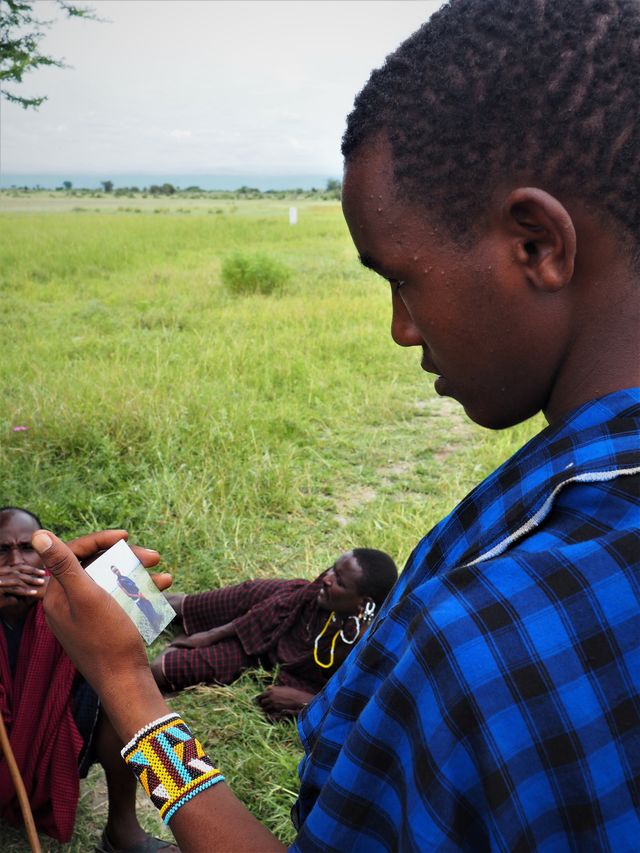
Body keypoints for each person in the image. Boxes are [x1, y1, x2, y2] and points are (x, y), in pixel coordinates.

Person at [32, 0, 640, 849]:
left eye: (402, 277)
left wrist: (128, 687)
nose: (401, 328)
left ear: (538, 244)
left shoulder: (477, 644)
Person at [0, 508, 177, 853]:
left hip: (61, 735)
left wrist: (103, 587)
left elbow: (148, 625)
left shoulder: (72, 596)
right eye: (1, 551)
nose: (15, 561)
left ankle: (122, 829)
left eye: (27, 548)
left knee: (120, 698)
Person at [150, 550, 398, 718]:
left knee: (161, 670)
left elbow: (363, 709)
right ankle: (114, 594)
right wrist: (213, 633)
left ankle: (177, 641)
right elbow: (264, 613)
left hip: (265, 655)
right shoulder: (312, 595)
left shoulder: (369, 648)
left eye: (340, 582)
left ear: (363, 604)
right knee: (173, 606)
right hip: (273, 612)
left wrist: (306, 702)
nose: (326, 579)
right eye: (332, 569)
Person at [111, 565, 164, 633]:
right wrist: (139, 596)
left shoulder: (124, 577)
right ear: (114, 573)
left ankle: (158, 618)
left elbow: (134, 586)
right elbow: (128, 594)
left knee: (150, 606)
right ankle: (156, 629)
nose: (117, 571)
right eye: (115, 571)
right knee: (147, 613)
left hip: (140, 594)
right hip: (137, 599)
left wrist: (140, 593)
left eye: (117, 569)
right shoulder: (119, 582)